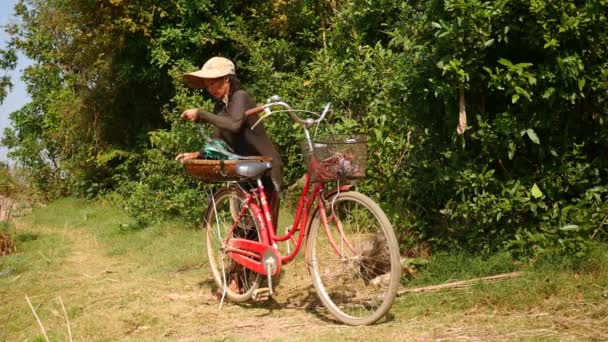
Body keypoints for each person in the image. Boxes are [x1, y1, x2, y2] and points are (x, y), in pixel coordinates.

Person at [176, 57, 283, 224]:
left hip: (267, 167)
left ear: (227, 78)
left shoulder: (241, 97)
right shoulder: (220, 107)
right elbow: (219, 140)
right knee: (246, 229)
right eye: (207, 85)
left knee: (266, 225)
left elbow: (234, 125)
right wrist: (197, 154)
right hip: (245, 169)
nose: (210, 89)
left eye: (213, 82)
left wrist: (202, 114)